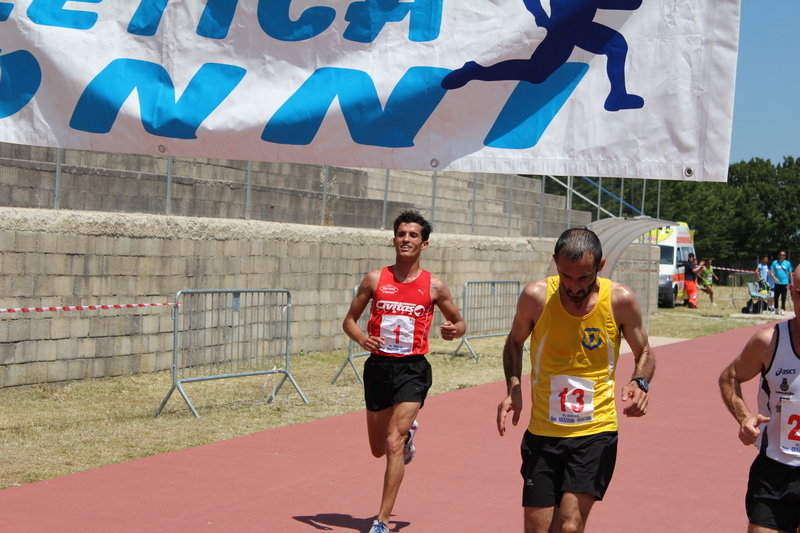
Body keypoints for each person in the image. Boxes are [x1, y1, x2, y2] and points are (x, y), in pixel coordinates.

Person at [497, 227, 655, 533]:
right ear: (555, 261)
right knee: (537, 528)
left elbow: (644, 351)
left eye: (583, 277)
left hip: (595, 431)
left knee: (569, 525)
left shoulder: (619, 300)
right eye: (566, 276)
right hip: (544, 431)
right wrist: (513, 388)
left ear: (600, 265)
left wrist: (640, 382)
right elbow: (514, 342)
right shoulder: (536, 297)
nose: (573, 286)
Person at [342, 210, 466, 533]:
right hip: (379, 368)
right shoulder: (374, 280)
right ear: (393, 239)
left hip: (413, 369)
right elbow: (349, 321)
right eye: (401, 234)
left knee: (393, 444)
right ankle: (408, 434)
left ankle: (381, 521)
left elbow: (460, 322)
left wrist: (455, 330)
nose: (406, 240)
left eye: (413, 236)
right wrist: (361, 338)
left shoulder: (435, 286)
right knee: (377, 448)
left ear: (424, 244)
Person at [718, 264, 800, 533]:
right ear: (790, 292)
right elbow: (729, 377)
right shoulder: (770, 342)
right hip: (774, 471)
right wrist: (744, 417)